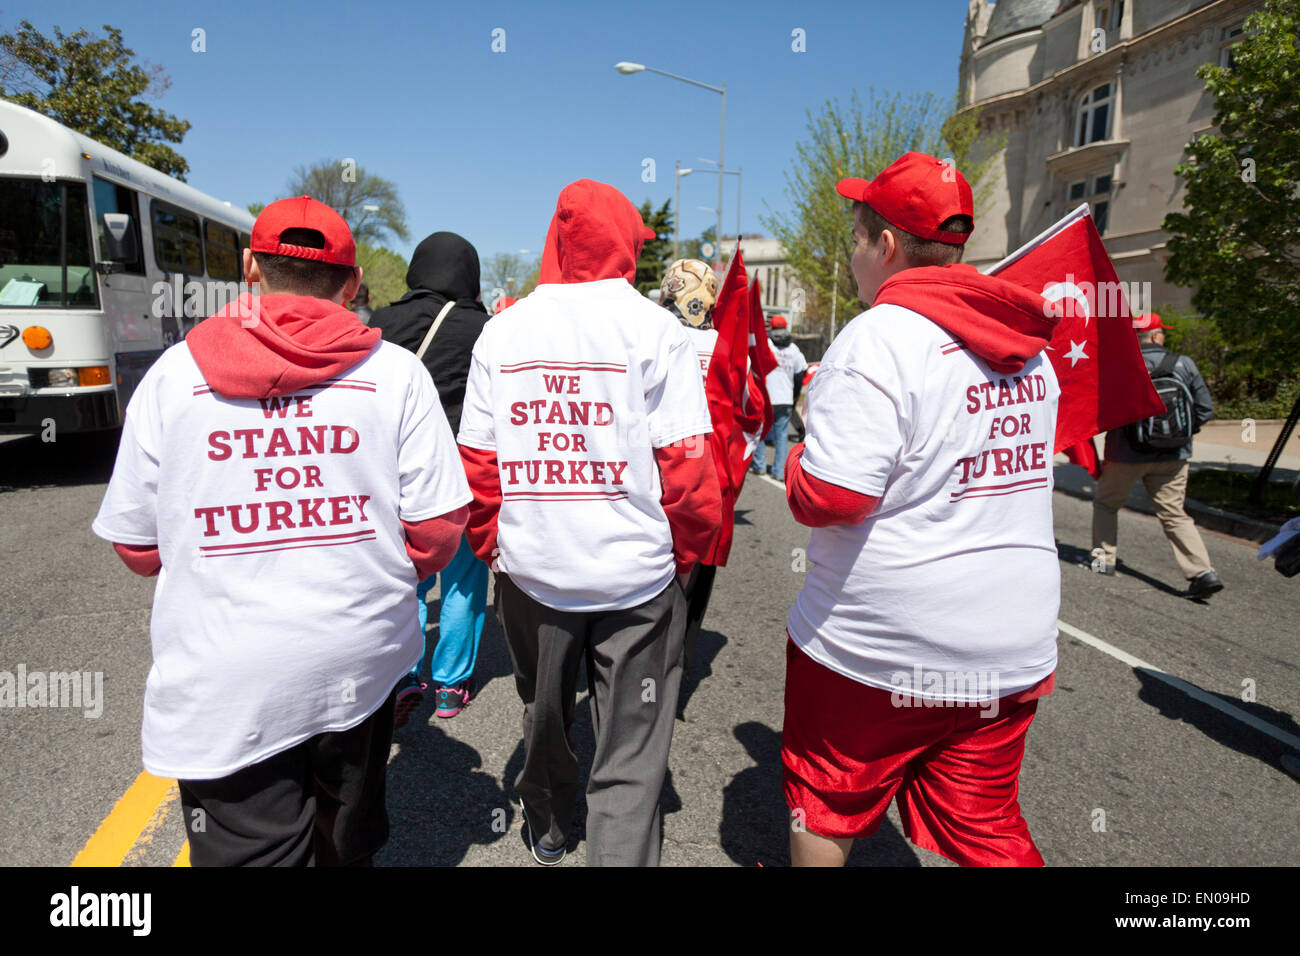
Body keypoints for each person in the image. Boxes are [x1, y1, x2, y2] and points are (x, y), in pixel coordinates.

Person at [91, 196, 471, 866]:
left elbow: (138, 546)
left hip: (226, 674)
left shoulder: (174, 377)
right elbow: (438, 531)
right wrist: (369, 566)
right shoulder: (396, 377)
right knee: (344, 841)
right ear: (352, 283)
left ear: (250, 269)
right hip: (359, 659)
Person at [782, 152, 1061, 867]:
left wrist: (797, 452)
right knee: (986, 824)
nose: (850, 258)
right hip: (1011, 638)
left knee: (827, 798)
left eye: (854, 239)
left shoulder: (879, 338)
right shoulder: (1032, 349)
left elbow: (832, 497)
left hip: (880, 645)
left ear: (886, 245)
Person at [457, 179, 720, 865]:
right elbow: (688, 467)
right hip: (636, 577)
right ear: (626, 245)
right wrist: (686, 559)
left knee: (543, 713)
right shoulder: (656, 330)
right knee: (632, 747)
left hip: (533, 571)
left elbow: (478, 464)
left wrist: (494, 546)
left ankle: (547, 822)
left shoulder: (503, 332)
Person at [369, 232, 492, 723]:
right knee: (463, 578)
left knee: (407, 578)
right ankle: (450, 685)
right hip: (462, 473)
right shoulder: (483, 327)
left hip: (394, 469)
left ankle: (403, 674)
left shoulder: (382, 321)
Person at [659, 258, 764, 672]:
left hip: (650, 480)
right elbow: (752, 415)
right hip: (707, 484)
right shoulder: (728, 349)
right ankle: (673, 657)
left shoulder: (647, 339)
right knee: (690, 577)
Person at [1091, 313, 1222, 598]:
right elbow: (1205, 409)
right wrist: (1178, 436)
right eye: (1162, 333)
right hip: (1174, 456)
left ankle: (1104, 562)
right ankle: (1202, 571)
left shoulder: (1121, 364)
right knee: (1174, 513)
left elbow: (1105, 410)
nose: (1164, 337)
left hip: (1125, 454)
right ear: (1154, 336)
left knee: (1106, 505)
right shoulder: (1183, 364)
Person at [751, 316, 806, 480]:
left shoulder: (766, 345)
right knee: (782, 435)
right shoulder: (794, 349)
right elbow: (800, 373)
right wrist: (795, 393)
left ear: (772, 328)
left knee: (760, 431)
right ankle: (779, 471)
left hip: (766, 395)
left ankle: (759, 465)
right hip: (785, 396)